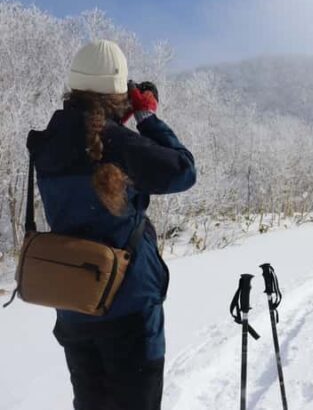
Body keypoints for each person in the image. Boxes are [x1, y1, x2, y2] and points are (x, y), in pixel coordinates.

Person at [28, 40, 196, 410]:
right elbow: (183, 171)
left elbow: (90, 155)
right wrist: (147, 117)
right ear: (118, 90)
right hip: (130, 310)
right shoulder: (119, 143)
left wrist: (118, 121)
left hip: (75, 305)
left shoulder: (47, 142)